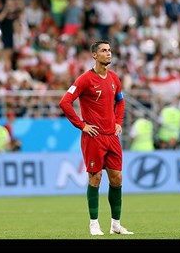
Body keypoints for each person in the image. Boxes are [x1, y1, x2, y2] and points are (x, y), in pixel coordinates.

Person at [59, 40, 133, 236]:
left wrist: (118, 121)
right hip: (94, 137)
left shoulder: (115, 79)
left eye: (109, 50)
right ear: (94, 55)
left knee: (116, 178)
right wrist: (82, 125)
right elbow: (65, 102)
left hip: (112, 136)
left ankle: (116, 225)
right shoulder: (84, 79)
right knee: (95, 178)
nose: (108, 53)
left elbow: (121, 102)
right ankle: (94, 224)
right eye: (103, 50)